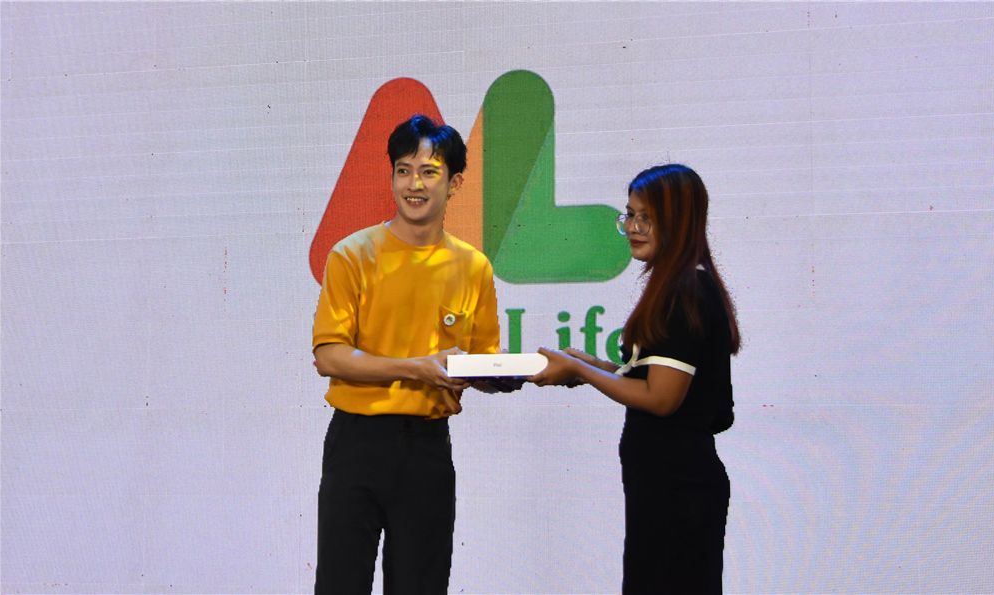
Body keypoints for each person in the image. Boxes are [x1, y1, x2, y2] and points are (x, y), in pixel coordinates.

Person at [529, 164, 741, 594]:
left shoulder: (685, 291)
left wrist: (580, 370)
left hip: (679, 490)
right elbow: (647, 378)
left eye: (648, 217)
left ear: (680, 221)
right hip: (663, 485)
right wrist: (592, 365)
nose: (633, 228)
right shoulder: (674, 285)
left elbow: (661, 397)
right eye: (630, 214)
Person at [311, 115, 501, 593]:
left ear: (455, 183)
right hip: (357, 444)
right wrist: (416, 368)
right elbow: (329, 356)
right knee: (340, 583)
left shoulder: (473, 267)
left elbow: (482, 360)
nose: (414, 184)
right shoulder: (352, 255)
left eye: (429, 172)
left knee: (422, 584)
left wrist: (510, 374)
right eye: (403, 170)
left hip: (427, 449)